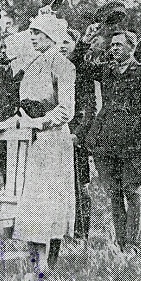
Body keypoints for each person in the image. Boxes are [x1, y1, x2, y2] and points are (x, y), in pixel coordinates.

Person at [0, 13, 76, 272]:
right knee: (34, 203)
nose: (33, 38)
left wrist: (39, 122)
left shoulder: (63, 65)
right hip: (35, 143)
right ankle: (37, 263)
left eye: (38, 33)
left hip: (54, 141)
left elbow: (66, 110)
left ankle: (46, 265)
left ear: (52, 36)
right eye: (31, 33)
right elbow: (24, 110)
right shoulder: (32, 66)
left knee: (49, 203)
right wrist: (7, 123)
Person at [84, 29, 141, 255]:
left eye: (119, 45)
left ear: (132, 47)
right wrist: (89, 40)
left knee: (132, 190)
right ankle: (120, 241)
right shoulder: (107, 70)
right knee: (115, 191)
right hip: (108, 138)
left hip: (134, 139)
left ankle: (132, 244)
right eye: (112, 45)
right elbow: (82, 65)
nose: (114, 48)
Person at [60, 28, 97, 241]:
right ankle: (61, 229)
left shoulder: (81, 72)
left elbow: (90, 108)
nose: (62, 46)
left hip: (75, 138)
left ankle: (81, 232)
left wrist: (78, 135)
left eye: (67, 42)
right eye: (59, 42)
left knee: (79, 186)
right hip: (55, 135)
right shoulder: (52, 68)